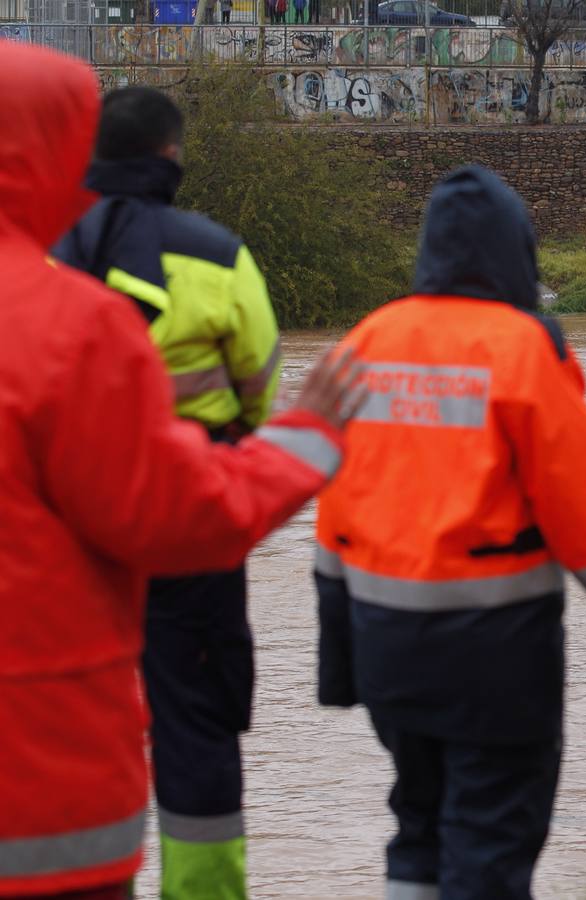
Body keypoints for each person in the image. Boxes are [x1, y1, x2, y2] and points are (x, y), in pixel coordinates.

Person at [0, 42, 363, 899]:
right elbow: (256, 378)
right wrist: (303, 440)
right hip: (173, 531)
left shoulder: (61, 270)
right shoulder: (89, 313)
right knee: (196, 725)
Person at [314, 165, 586, 900]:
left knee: (418, 826)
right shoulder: (525, 349)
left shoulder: (365, 341)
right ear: (515, 252)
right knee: (490, 839)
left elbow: (336, 523)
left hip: (386, 649)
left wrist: (339, 669)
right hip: (493, 659)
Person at [52, 86, 282, 900]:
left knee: (62, 713)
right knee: (198, 721)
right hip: (190, 514)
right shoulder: (216, 254)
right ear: (173, 155)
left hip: (66, 522)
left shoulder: (46, 252)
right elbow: (260, 383)